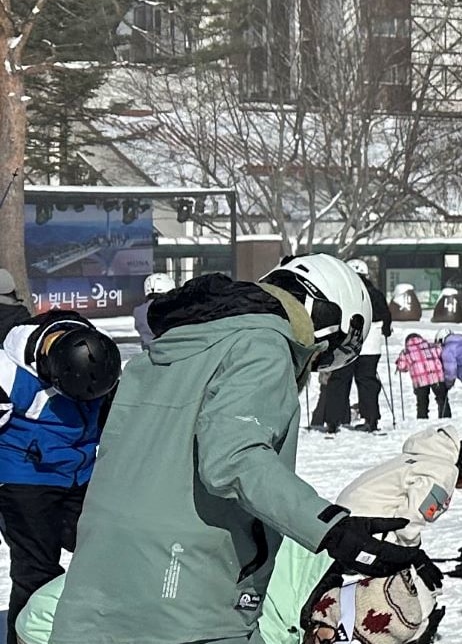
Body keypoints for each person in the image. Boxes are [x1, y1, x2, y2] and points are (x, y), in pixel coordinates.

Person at [57, 255, 431, 642]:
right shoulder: (263, 344)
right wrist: (331, 528)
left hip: (100, 573)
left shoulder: (170, 347)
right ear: (323, 315)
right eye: (331, 353)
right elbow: (234, 457)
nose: (316, 365)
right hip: (186, 588)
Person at [260, 425, 462, 644]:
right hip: (361, 538)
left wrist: (414, 554)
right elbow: (409, 524)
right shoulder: (444, 473)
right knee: (416, 598)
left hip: (348, 525)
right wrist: (413, 557)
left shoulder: (429, 455)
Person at [0, 312, 117, 642]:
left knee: (110, 553)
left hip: (80, 475)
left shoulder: (98, 359)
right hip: (24, 480)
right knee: (36, 570)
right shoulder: (7, 373)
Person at [311, 259, 392, 434]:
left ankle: (333, 421)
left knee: (339, 381)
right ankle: (371, 419)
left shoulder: (343, 292)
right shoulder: (376, 294)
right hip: (371, 345)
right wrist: (384, 329)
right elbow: (387, 321)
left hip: (347, 344)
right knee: (367, 381)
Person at [395, 332, 451, 419]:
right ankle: (445, 417)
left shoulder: (406, 351)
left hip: (420, 381)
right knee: (442, 399)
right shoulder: (432, 346)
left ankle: (422, 418)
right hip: (436, 377)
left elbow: (402, 366)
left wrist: (399, 363)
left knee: (422, 401)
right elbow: (442, 354)